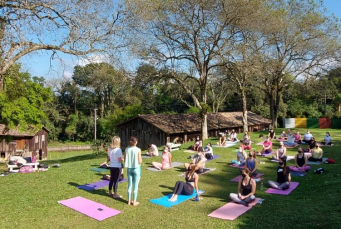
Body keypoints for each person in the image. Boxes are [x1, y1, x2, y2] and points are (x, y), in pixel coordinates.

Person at [124, 136, 142, 206]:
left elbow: (125, 160)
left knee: (129, 185)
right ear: (135, 142)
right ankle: (134, 202)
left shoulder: (126, 149)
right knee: (136, 186)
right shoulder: (138, 149)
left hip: (129, 169)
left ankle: (128, 201)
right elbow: (140, 161)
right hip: (136, 168)